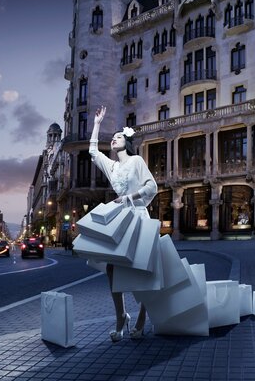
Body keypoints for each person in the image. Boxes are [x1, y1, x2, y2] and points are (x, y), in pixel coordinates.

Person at [88, 105, 158, 342]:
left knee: (143, 269)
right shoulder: (112, 166)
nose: (114, 139)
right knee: (112, 268)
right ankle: (121, 317)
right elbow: (93, 151)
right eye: (113, 137)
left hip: (138, 215)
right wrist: (97, 124)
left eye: (118, 136)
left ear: (126, 142)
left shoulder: (137, 160)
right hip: (120, 218)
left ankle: (140, 319)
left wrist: (129, 197)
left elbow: (151, 187)